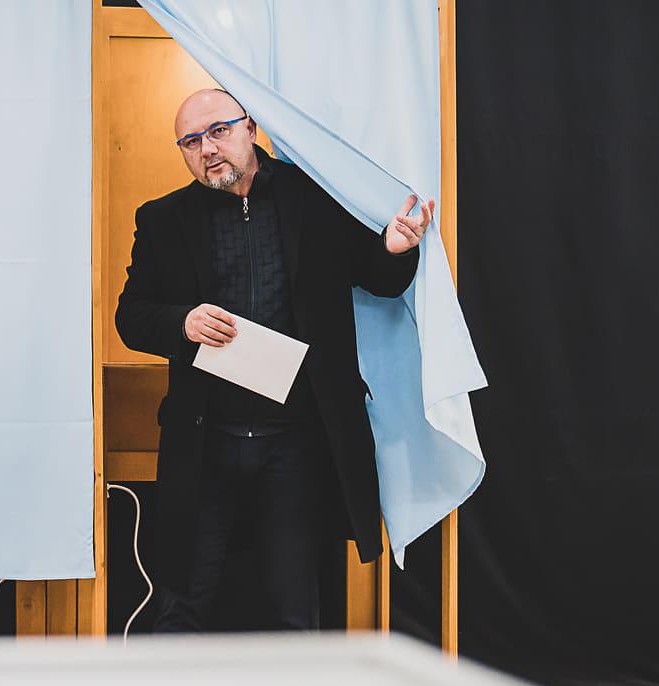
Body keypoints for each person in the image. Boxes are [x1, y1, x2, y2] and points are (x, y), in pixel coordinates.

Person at [115, 88, 433, 632]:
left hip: (298, 441)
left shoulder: (316, 196)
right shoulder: (163, 219)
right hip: (205, 440)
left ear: (251, 127)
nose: (207, 149)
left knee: (295, 611)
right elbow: (131, 317)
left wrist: (395, 249)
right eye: (190, 142)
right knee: (181, 608)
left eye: (218, 131)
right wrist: (182, 322)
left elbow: (378, 278)